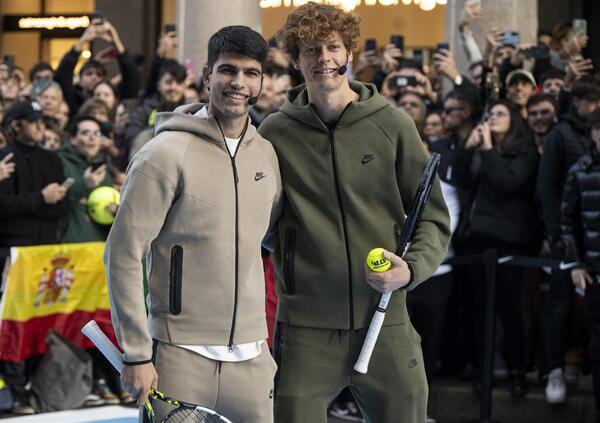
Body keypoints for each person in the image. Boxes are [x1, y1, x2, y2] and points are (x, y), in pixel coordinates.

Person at [258, 4, 450, 422]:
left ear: (349, 54)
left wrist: (411, 269)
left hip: (385, 318)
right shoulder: (274, 132)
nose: (322, 58)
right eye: (310, 49)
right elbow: (258, 217)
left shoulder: (393, 124)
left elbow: (433, 217)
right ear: (294, 59)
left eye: (332, 47)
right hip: (306, 326)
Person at [104, 26, 282, 423]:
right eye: (227, 70)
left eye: (251, 73)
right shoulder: (163, 154)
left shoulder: (266, 155)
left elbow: (275, 238)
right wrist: (136, 352)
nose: (238, 82)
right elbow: (123, 254)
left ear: (261, 82)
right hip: (179, 358)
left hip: (253, 360)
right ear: (206, 76)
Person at [453, 99, 541, 398]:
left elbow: (506, 183)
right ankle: (482, 371)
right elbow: (460, 178)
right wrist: (468, 148)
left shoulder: (525, 149)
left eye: (500, 114)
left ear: (514, 120)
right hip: (477, 238)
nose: (492, 118)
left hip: (508, 239)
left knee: (510, 308)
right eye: (490, 114)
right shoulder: (481, 148)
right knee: (480, 309)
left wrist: (488, 148)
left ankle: (518, 371)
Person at [0, 100, 69, 414]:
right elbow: (3, 209)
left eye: (43, 121)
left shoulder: (52, 160)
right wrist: (39, 199)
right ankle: (16, 390)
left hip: (45, 253)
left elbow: (61, 208)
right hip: (12, 255)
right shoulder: (4, 158)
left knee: (42, 321)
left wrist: (34, 203)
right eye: (34, 121)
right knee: (13, 322)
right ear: (16, 125)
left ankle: (39, 385)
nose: (41, 127)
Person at [537, 75, 600, 404]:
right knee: (560, 306)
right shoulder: (561, 135)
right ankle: (557, 369)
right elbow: (548, 189)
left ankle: (582, 366)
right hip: (569, 239)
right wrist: (556, 236)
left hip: (589, 241)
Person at [560, 109, 600, 423]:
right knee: (597, 345)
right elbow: (566, 220)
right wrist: (575, 261)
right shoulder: (580, 170)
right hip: (594, 273)